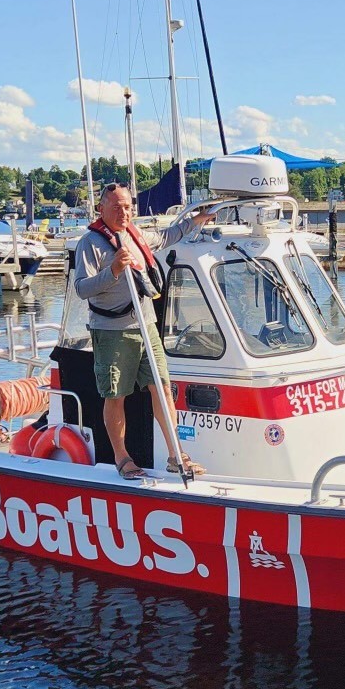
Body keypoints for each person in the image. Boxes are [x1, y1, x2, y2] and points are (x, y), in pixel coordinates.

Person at [74, 183, 214, 479]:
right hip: (113, 331)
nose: (123, 212)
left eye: (127, 207)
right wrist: (112, 271)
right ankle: (122, 458)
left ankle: (176, 455)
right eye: (116, 207)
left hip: (146, 326)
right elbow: (82, 288)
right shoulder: (90, 243)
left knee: (162, 387)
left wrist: (195, 221)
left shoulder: (137, 235)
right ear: (101, 209)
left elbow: (166, 236)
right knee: (116, 395)